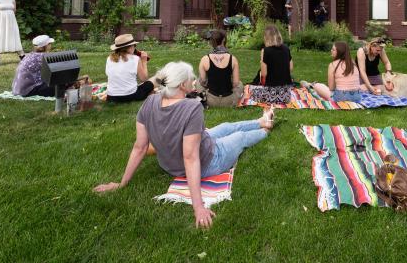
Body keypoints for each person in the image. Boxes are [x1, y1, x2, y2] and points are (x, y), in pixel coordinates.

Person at [93, 61, 276, 229]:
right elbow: (190, 157)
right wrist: (198, 207)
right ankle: (265, 130)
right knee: (239, 137)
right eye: (191, 79)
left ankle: (260, 120)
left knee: (225, 127)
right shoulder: (192, 108)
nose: (194, 81)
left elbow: (139, 147)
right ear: (182, 85)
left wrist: (122, 183)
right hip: (210, 161)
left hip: (175, 162)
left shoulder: (150, 102)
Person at [198, 30, 243, 108]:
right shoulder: (233, 58)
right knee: (240, 83)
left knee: (197, 82)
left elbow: (203, 82)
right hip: (229, 101)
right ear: (223, 40)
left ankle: (204, 102)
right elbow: (236, 83)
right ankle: (236, 102)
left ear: (211, 42)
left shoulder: (204, 59)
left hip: (210, 101)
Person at [106, 33, 154, 103]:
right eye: (134, 45)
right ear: (131, 47)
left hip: (111, 97)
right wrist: (144, 61)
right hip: (130, 96)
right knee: (151, 83)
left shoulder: (109, 58)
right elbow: (144, 78)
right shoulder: (135, 59)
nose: (135, 47)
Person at [252, 24, 294, 105]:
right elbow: (290, 68)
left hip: (270, 95)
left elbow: (264, 74)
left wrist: (262, 62)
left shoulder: (265, 51)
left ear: (266, 37)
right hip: (286, 96)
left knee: (252, 92)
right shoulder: (286, 48)